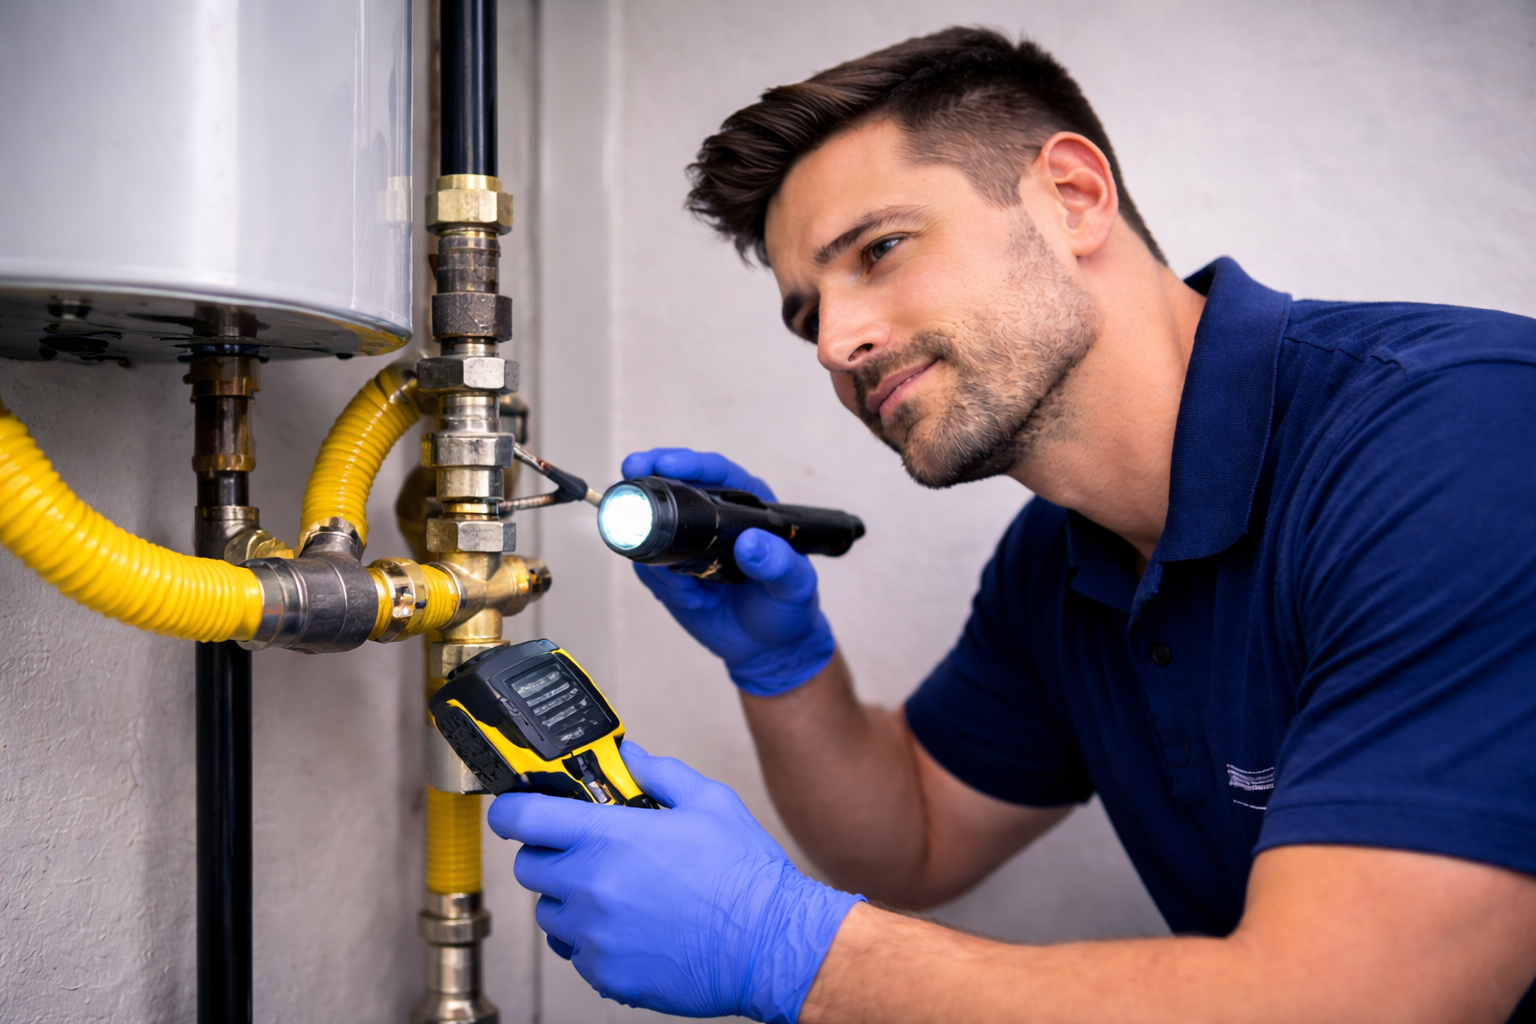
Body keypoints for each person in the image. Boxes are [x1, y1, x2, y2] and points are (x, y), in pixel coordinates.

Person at [488, 27, 1536, 1024]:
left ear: (1073, 197)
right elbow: (913, 838)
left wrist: (789, 950)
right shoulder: (1057, 558)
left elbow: (1365, 1004)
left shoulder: (1459, 437)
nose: (835, 342)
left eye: (881, 249)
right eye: (808, 315)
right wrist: (786, 668)